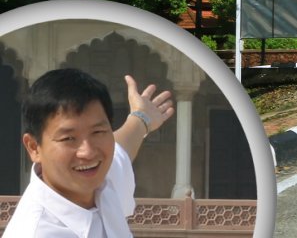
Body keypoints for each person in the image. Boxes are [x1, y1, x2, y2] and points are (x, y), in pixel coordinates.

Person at [8, 68, 175, 237]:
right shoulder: (36, 232)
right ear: (34, 147)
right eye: (68, 139)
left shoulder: (102, 182)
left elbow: (122, 147)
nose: (87, 152)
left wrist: (141, 118)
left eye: (97, 132)